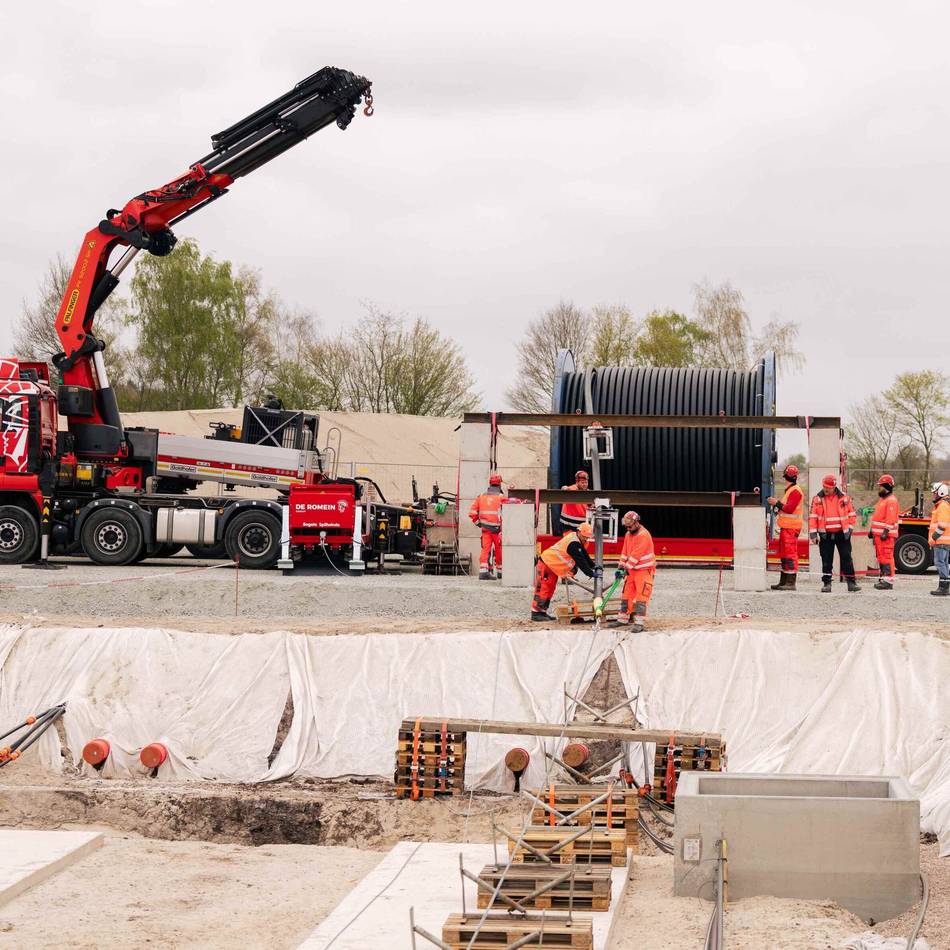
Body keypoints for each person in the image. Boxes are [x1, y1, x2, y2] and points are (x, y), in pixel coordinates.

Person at [531, 522, 597, 621]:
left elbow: (584, 554)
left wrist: (593, 566)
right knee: (544, 588)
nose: (586, 539)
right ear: (579, 532)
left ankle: (542, 611)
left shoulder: (575, 539)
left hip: (551, 565)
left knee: (550, 588)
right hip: (547, 563)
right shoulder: (573, 544)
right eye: (584, 537)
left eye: (587, 537)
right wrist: (590, 572)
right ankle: (536, 612)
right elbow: (581, 560)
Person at [808, 474, 860, 593]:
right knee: (826, 560)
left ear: (834, 487)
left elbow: (852, 515)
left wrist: (850, 529)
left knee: (847, 558)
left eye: (828, 487)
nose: (825, 489)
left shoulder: (845, 498)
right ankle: (827, 584)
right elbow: (813, 517)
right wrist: (813, 534)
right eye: (824, 486)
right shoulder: (817, 499)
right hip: (825, 535)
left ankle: (851, 583)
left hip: (842, 534)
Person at [610, 511, 655, 631]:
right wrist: (620, 566)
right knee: (626, 595)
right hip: (632, 571)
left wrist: (625, 568)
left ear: (636, 523)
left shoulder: (643, 535)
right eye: (627, 526)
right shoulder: (628, 534)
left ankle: (639, 622)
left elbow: (636, 555)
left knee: (642, 597)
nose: (628, 528)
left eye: (630, 526)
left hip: (644, 571)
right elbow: (625, 552)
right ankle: (622, 619)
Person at [767, 464, 804, 591]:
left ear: (785, 476)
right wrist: (777, 506)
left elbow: (789, 508)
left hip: (791, 528)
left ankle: (790, 583)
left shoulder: (795, 491)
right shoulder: (790, 490)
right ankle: (783, 581)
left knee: (790, 554)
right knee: (784, 554)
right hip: (786, 527)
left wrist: (775, 502)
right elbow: (785, 508)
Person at [468, 474, 507, 580]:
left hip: (485, 529)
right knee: (499, 550)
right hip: (497, 529)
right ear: (499, 484)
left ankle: (483, 572)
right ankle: (500, 571)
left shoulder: (481, 496)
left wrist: (479, 523)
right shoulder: (501, 498)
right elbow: (507, 514)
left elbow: (472, 513)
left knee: (485, 549)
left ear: (490, 483)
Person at [868, 474, 900, 590]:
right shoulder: (883, 499)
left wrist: (885, 532)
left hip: (886, 536)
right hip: (879, 536)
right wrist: (872, 530)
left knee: (887, 558)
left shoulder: (891, 501)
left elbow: (890, 519)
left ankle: (888, 581)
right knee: (881, 558)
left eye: (881, 486)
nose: (879, 488)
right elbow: (878, 517)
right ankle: (883, 579)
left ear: (887, 486)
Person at [929, 481, 950, 597]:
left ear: (941, 493)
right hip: (944, 541)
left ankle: (943, 588)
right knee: (944, 563)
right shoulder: (944, 505)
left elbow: (942, 525)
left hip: (941, 541)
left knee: (940, 563)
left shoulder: (942, 506)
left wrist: (933, 538)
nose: (933, 495)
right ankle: (944, 587)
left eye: (934, 493)